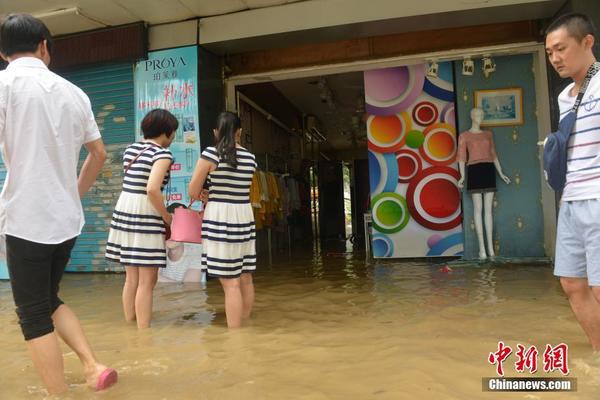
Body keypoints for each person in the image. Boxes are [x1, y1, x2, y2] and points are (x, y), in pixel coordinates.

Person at [0, 13, 116, 395]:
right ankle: (92, 365)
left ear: (2, 53)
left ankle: (57, 394)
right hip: (67, 221)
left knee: (33, 315)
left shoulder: (4, 86)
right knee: (48, 300)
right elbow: (98, 154)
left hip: (26, 221)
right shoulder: (74, 92)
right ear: (44, 46)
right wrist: (74, 194)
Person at [545, 13, 600, 349]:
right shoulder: (565, 97)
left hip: (598, 197)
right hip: (570, 200)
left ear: (587, 42)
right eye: (550, 52)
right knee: (572, 284)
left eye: (561, 49)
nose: (555, 58)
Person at [106, 109, 177, 329]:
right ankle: (144, 334)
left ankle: (131, 327)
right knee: (147, 281)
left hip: (125, 206)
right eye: (173, 132)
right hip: (145, 211)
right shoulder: (162, 154)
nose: (173, 137)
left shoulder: (131, 149)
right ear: (166, 132)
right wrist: (166, 216)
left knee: (132, 278)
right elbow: (152, 189)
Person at [189, 111, 257, 328]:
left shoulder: (211, 154)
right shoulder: (250, 157)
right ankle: (245, 325)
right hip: (243, 215)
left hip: (220, 217)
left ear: (216, 132)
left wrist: (205, 194)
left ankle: (235, 336)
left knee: (230, 284)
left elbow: (192, 190)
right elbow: (236, 186)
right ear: (239, 132)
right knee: (245, 276)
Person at [457, 107, 511, 259]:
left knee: (488, 210)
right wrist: (462, 176)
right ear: (472, 116)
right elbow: (461, 157)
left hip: (488, 170)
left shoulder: (488, 134)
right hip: (474, 170)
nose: (480, 117)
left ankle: (490, 249)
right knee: (478, 209)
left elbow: (493, 154)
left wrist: (500, 172)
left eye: (482, 114)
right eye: (477, 114)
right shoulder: (464, 136)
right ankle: (482, 249)